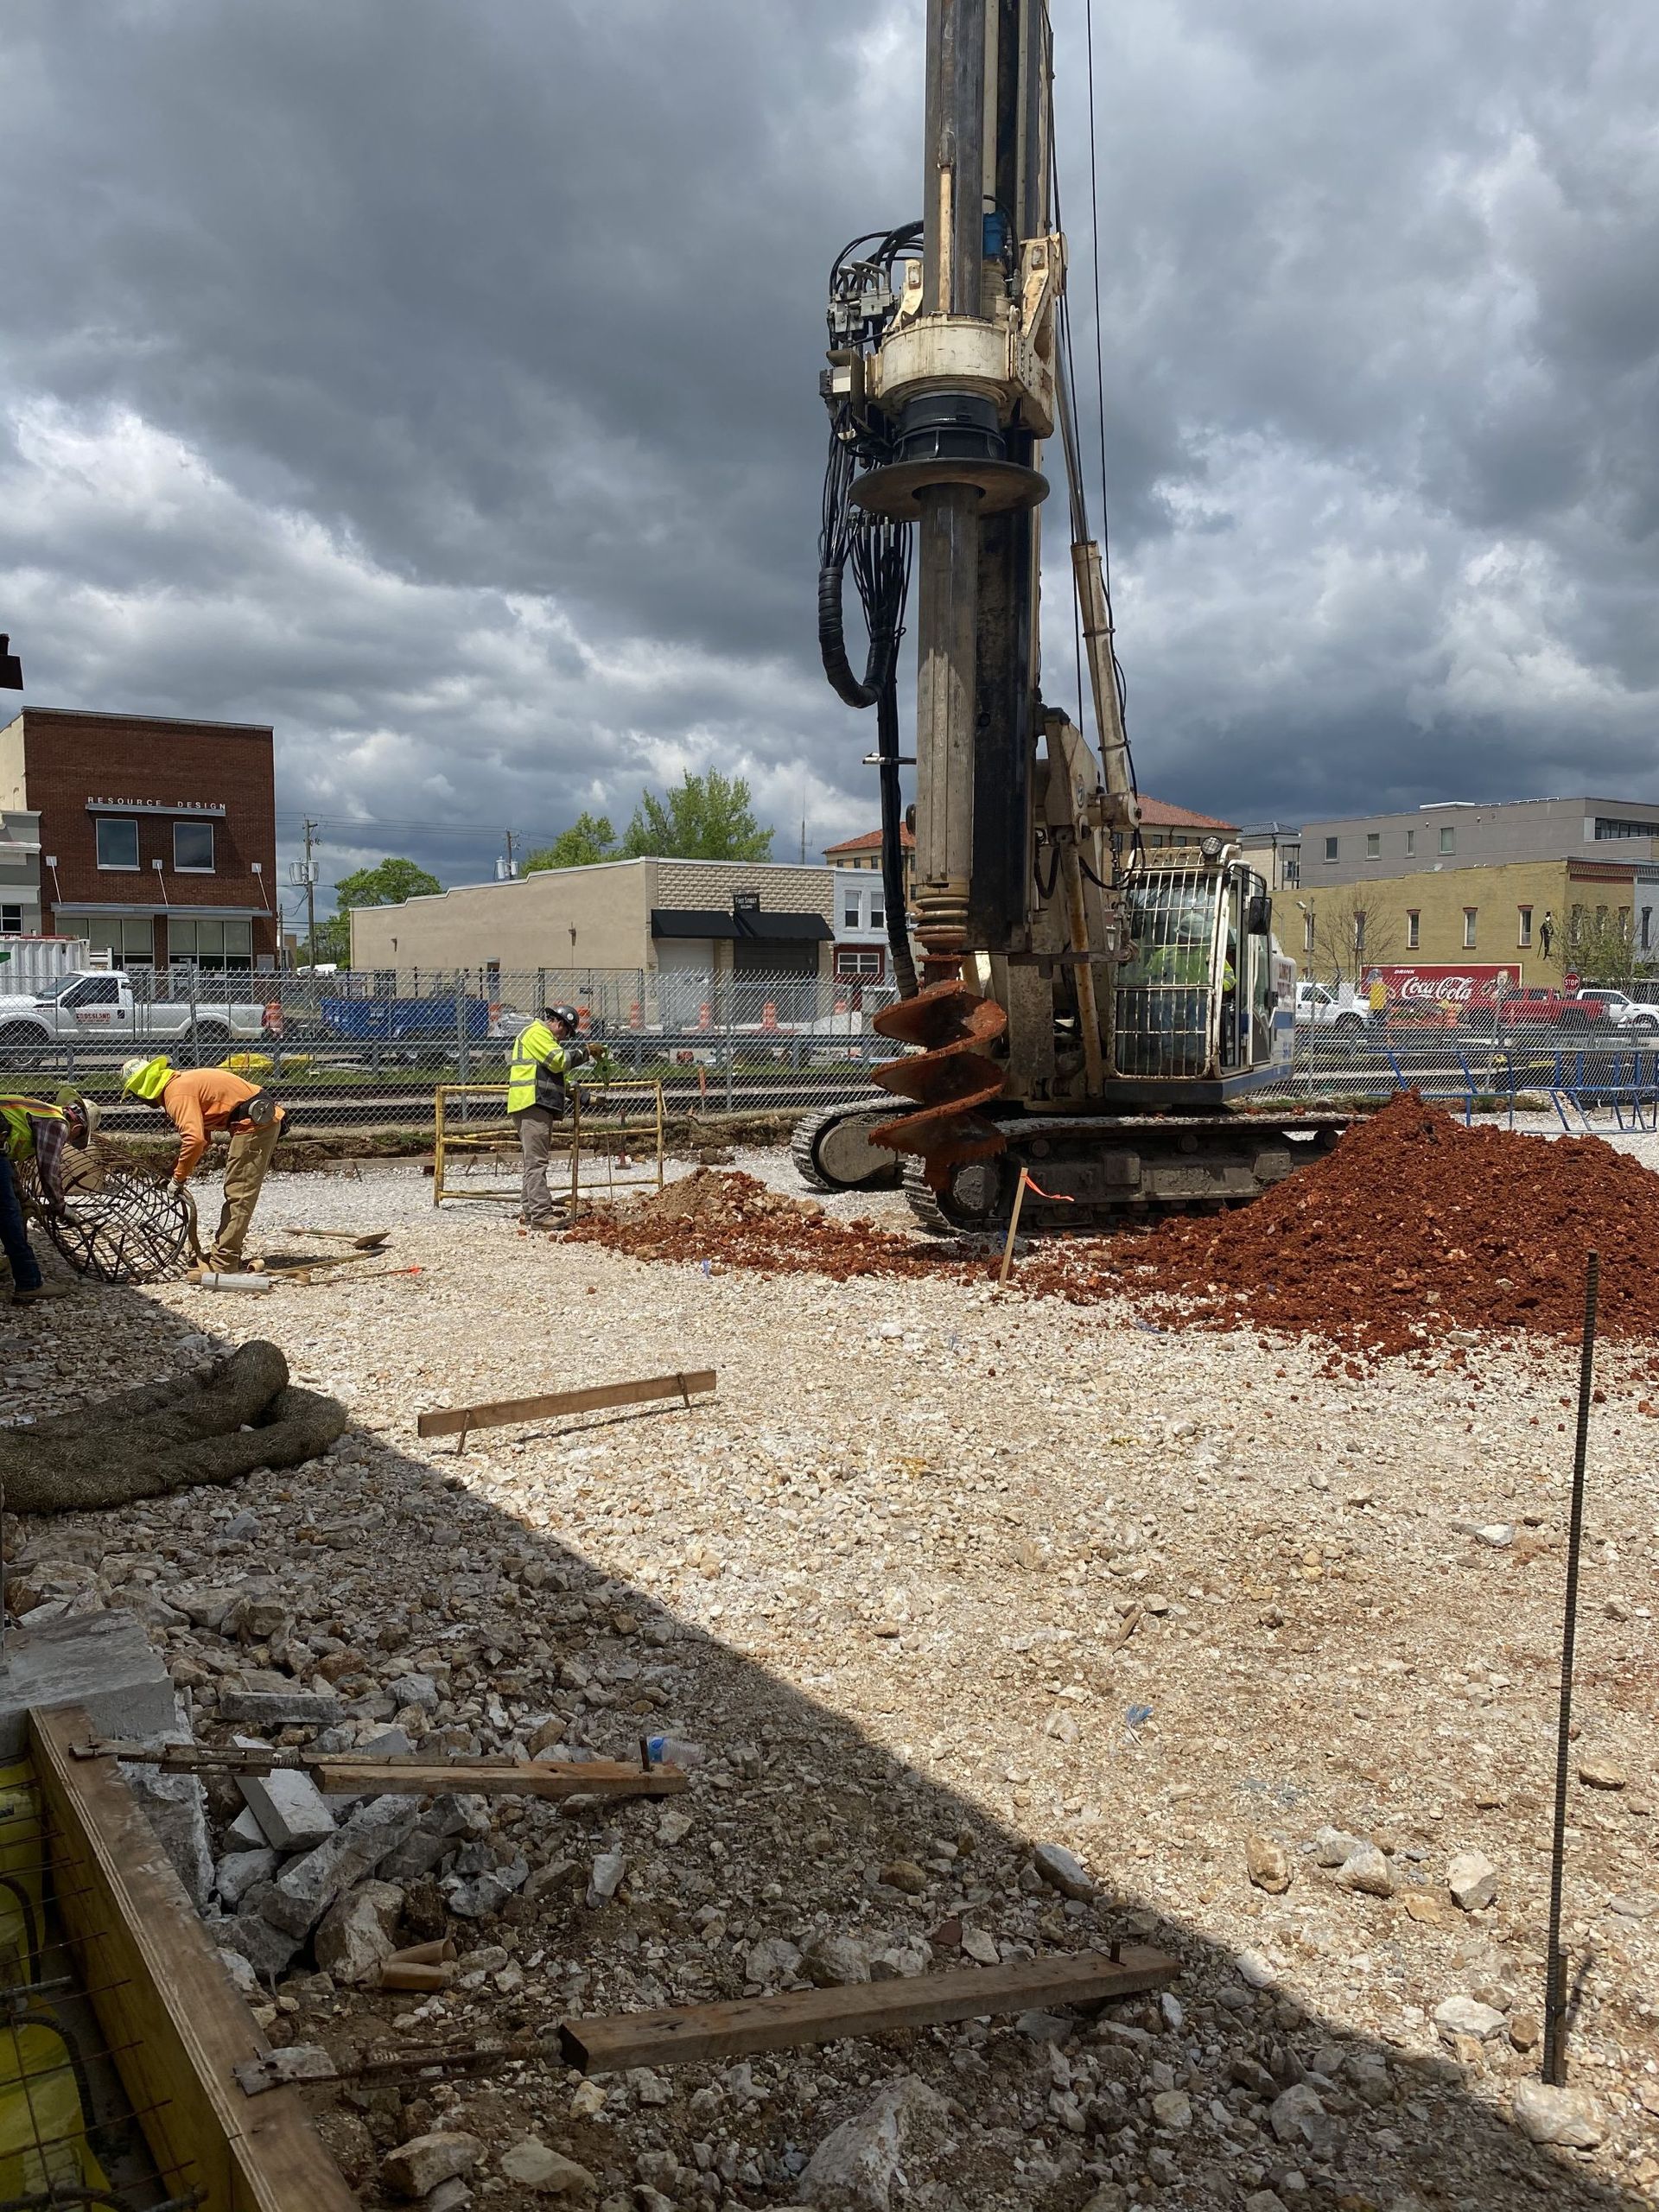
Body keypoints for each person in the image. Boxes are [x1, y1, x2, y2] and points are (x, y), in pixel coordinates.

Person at [121, 1056, 284, 1272]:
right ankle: (223, 1255)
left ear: (142, 1090)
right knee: (238, 1190)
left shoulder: (176, 1094)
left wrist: (178, 1178)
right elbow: (204, 1139)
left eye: (135, 1095)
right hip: (251, 1118)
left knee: (239, 1192)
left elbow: (195, 1140)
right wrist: (175, 1171)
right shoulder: (179, 1084)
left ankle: (224, 1262)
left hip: (254, 1123)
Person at [0, 1091, 94, 1305]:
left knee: (12, 1207)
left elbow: (6, 1162)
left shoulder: (40, 1112)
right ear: (77, 1128)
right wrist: (61, 1207)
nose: (66, 1143)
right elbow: (48, 1169)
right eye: (73, 1140)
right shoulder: (56, 1124)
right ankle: (29, 1283)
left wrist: (23, 1197)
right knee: (9, 1214)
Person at [506, 1004, 587, 1230]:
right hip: (533, 1103)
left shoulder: (537, 1036)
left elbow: (547, 1073)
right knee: (537, 1163)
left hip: (531, 1103)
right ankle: (541, 1214)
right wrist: (586, 1052)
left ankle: (532, 1211)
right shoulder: (538, 1033)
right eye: (566, 1033)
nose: (564, 1039)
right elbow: (559, 1061)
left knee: (532, 1162)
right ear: (559, 1024)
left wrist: (573, 1090)